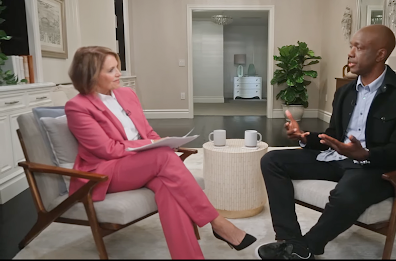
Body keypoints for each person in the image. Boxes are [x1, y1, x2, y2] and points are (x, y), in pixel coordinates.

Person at [65, 46, 256, 259]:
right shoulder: (77, 107)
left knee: (168, 186)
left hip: (141, 163)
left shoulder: (126, 94)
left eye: (118, 67)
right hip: (105, 172)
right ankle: (218, 223)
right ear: (90, 75)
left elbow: (145, 131)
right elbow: (107, 150)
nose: (119, 73)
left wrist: (160, 142)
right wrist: (153, 149)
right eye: (111, 70)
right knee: (163, 157)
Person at [256, 24, 396, 259]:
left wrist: (364, 154)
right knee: (272, 160)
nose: (350, 53)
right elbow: (334, 134)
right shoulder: (345, 92)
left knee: (347, 193)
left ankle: (305, 249)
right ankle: (290, 240)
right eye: (351, 46)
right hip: (338, 158)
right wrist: (305, 137)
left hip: (375, 167)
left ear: (380, 54)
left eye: (359, 47)